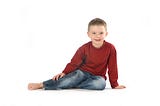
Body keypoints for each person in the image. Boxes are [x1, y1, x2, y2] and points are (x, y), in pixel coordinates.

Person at [28, 18, 126, 90]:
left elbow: (113, 67)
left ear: (106, 34)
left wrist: (114, 84)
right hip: (82, 73)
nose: (97, 36)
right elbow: (74, 62)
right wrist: (65, 72)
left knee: (100, 85)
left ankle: (73, 84)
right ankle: (43, 84)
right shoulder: (84, 48)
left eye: (101, 33)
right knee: (74, 77)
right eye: (94, 33)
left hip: (97, 77)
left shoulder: (110, 48)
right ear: (88, 34)